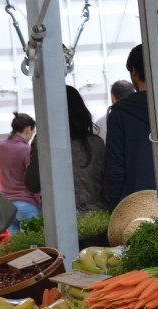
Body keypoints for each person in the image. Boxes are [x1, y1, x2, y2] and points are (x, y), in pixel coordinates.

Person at [104, 44, 158, 212]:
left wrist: (116, 207)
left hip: (139, 208)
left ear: (134, 71)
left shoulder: (120, 114)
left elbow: (115, 168)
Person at [25, 85, 108, 215]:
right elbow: (107, 184)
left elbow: (32, 184)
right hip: (97, 217)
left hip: (60, 222)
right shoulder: (96, 143)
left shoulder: (44, 142)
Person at [0, 112, 42, 233]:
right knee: (32, 247)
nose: (31, 136)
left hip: (8, 206)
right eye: (32, 131)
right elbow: (33, 178)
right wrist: (40, 202)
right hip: (26, 204)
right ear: (28, 129)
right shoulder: (25, 149)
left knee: (18, 248)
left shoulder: (0, 146)